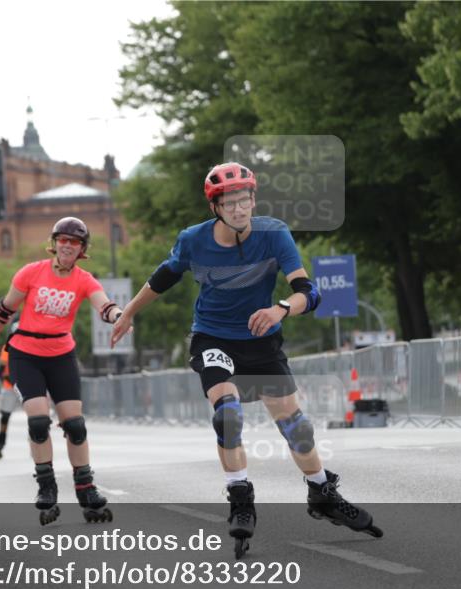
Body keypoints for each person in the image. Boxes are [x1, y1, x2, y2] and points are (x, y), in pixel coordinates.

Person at [111, 162, 381, 558]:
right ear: (215, 207)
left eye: (245, 199)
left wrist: (282, 308)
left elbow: (309, 291)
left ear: (254, 199)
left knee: (296, 427)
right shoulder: (194, 240)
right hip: (213, 337)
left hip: (261, 340)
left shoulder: (274, 234)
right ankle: (240, 495)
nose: (240, 209)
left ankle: (321, 491)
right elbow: (163, 279)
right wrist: (129, 312)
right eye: (230, 202)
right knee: (227, 413)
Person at [0, 217, 129, 525]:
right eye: (62, 240)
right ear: (54, 243)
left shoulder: (84, 280)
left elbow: (104, 304)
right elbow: (4, 309)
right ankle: (46, 485)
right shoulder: (31, 272)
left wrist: (118, 316)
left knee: (75, 425)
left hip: (61, 354)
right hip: (25, 355)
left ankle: (86, 488)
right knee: (38, 421)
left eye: (74, 242)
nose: (67, 246)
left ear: (82, 249)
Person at [0, 320, 22, 460]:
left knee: (37, 416)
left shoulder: (33, 346)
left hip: (27, 385)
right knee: (5, 416)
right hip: (10, 386)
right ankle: (0, 443)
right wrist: (7, 379)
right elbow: (0, 370)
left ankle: (36, 441)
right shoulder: (7, 347)